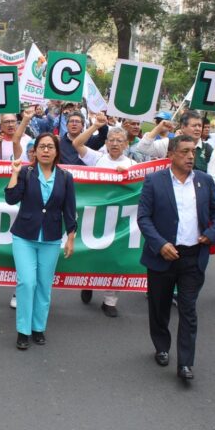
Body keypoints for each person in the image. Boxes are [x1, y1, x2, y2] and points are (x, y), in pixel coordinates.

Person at [137, 135, 215, 381]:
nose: (190, 156)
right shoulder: (155, 181)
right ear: (172, 154)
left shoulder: (205, 181)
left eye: (193, 152)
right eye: (185, 151)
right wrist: (160, 243)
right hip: (163, 256)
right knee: (159, 307)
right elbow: (144, 217)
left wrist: (212, 233)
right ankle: (161, 346)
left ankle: (186, 363)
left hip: (193, 257)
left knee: (188, 310)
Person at [5, 133, 77, 350]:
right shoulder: (26, 173)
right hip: (24, 236)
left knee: (44, 286)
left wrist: (71, 237)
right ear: (34, 151)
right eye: (42, 147)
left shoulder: (65, 177)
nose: (46, 150)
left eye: (50, 147)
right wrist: (14, 174)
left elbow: (69, 209)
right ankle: (23, 330)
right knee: (27, 283)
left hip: (51, 237)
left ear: (56, 151)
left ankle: (38, 328)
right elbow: (11, 198)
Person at [73, 118, 136, 317]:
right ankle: (89, 282)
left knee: (116, 257)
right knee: (91, 252)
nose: (115, 144)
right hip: (96, 216)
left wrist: (128, 174)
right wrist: (95, 126)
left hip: (119, 219)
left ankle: (110, 300)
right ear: (106, 142)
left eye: (119, 140)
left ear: (126, 144)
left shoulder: (133, 164)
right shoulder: (97, 158)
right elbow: (77, 144)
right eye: (111, 140)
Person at [137, 110, 215, 182]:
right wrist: (158, 128)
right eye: (194, 126)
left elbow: (213, 181)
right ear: (183, 127)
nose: (198, 129)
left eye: (200, 126)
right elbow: (142, 148)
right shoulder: (170, 143)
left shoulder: (208, 150)